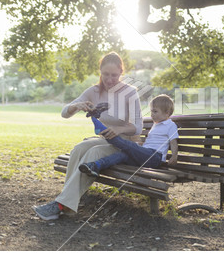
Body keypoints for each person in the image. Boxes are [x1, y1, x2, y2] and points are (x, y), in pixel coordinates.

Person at [33, 52, 143, 221]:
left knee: (93, 154)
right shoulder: (94, 91)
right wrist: (76, 106)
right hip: (107, 141)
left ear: (121, 73)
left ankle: (61, 205)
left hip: (127, 146)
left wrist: (119, 130)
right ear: (100, 71)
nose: (109, 79)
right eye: (106, 74)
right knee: (78, 149)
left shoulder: (130, 92)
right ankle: (66, 204)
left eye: (114, 75)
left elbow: (138, 127)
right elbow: (64, 113)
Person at [79, 94, 179, 177]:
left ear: (167, 113)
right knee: (123, 155)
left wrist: (174, 156)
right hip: (145, 156)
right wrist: (140, 145)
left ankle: (104, 130)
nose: (152, 114)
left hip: (155, 158)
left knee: (128, 146)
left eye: (155, 111)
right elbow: (152, 142)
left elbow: (173, 142)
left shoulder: (170, 125)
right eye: (151, 111)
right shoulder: (156, 125)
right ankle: (96, 165)